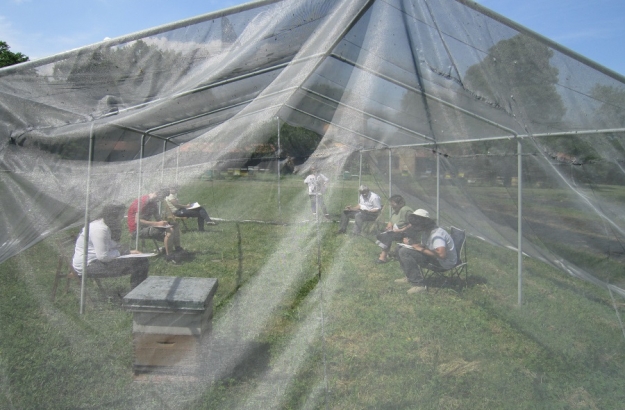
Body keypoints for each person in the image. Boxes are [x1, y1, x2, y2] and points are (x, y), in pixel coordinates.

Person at [72, 203, 149, 290]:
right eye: (120, 215)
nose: (121, 218)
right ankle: (136, 294)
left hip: (95, 260)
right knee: (140, 263)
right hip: (87, 266)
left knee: (140, 259)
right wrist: (124, 252)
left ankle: (136, 292)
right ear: (113, 216)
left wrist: (127, 251)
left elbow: (109, 245)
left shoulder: (103, 224)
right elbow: (103, 257)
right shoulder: (100, 229)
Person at [396, 209, 457, 294]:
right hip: (435, 258)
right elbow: (426, 246)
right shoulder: (426, 231)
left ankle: (418, 285)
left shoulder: (436, 235)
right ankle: (409, 276)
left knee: (404, 252)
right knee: (399, 248)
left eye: (416, 225)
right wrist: (412, 244)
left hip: (443, 263)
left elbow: (442, 254)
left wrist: (421, 249)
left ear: (423, 223)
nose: (414, 227)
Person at [127, 188, 182, 263]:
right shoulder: (142, 201)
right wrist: (157, 224)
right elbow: (137, 221)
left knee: (174, 225)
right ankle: (169, 256)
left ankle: (178, 248)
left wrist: (164, 222)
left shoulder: (153, 203)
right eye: (161, 197)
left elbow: (158, 218)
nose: (161, 200)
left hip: (146, 227)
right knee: (170, 230)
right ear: (156, 193)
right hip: (136, 230)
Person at [374, 195, 413, 263]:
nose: (391, 206)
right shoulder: (394, 210)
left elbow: (413, 223)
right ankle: (390, 253)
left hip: (405, 233)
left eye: (393, 204)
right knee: (381, 234)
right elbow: (391, 221)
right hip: (395, 231)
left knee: (388, 236)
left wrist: (402, 230)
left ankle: (382, 258)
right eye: (391, 204)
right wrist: (389, 227)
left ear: (401, 203)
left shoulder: (405, 210)